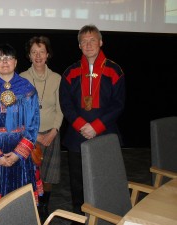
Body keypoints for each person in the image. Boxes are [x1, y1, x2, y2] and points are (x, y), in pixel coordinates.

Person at [59, 24, 125, 220]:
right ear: (79, 45)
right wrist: (81, 125)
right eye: (84, 41)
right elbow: (66, 103)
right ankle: (80, 219)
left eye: (92, 40)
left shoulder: (115, 70)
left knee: (105, 181)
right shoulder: (70, 72)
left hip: (104, 134)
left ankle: (104, 219)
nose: (88, 45)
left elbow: (118, 104)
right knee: (78, 183)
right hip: (76, 136)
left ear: (101, 42)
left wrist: (96, 127)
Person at [0, 43, 42, 207]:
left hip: (21, 148)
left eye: (9, 58)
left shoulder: (27, 88)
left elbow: (33, 123)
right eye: (0, 58)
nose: (5, 62)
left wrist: (19, 153)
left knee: (22, 198)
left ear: (16, 62)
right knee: (0, 202)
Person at [20, 36, 63, 221]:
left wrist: (54, 131)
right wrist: (34, 134)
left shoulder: (56, 78)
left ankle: (44, 206)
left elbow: (61, 109)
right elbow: (18, 111)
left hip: (51, 135)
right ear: (29, 56)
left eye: (42, 52)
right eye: (34, 52)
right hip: (29, 136)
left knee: (48, 176)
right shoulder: (21, 78)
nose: (38, 56)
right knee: (30, 174)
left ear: (48, 54)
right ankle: (32, 206)